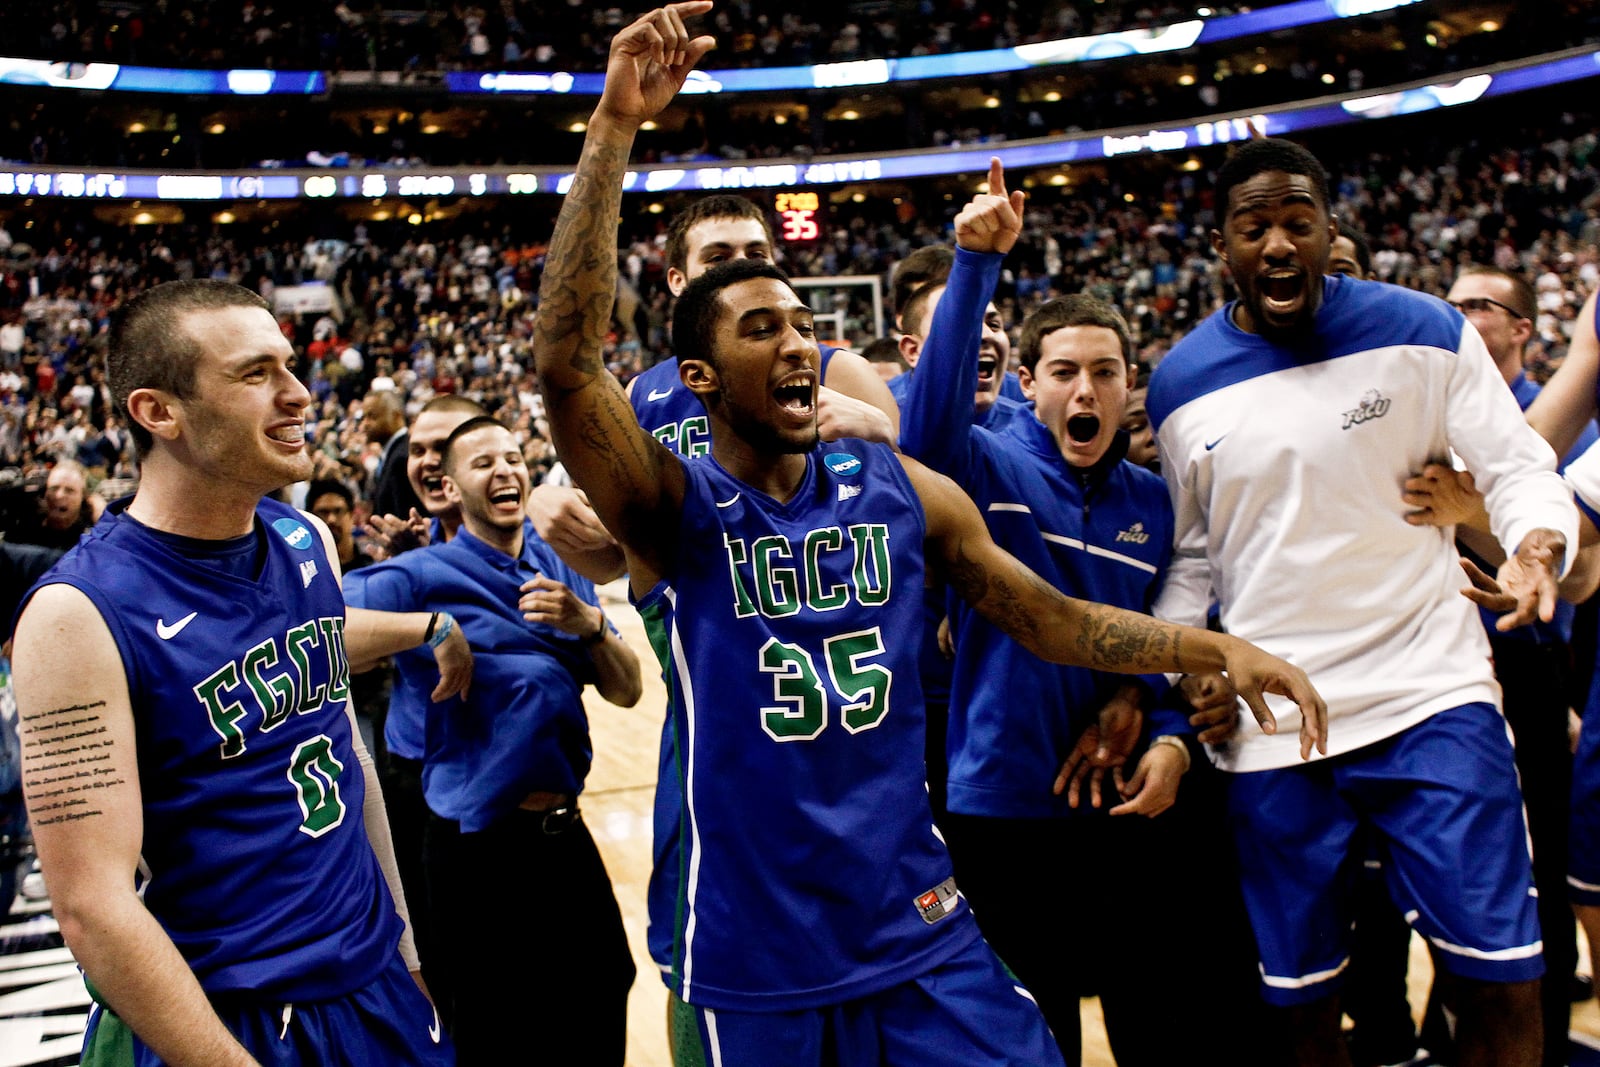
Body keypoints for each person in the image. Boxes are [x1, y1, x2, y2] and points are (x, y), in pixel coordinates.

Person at [533, 11, 1325, 1064]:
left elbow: (1048, 616)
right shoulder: (673, 509)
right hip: (755, 938)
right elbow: (565, 366)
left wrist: (1209, 649)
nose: (795, 341)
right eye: (757, 326)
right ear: (700, 379)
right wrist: (612, 129)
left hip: (915, 914)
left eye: (799, 318)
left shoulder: (896, 484)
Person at [1148, 137, 1576, 1067]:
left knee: (1504, 975)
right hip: (1271, 726)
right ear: (1221, 244)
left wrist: (1539, 545)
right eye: (1253, 225)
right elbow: (1192, 560)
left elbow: (1516, 471)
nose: (1276, 244)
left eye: (1297, 222)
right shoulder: (1179, 382)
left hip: (1432, 697)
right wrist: (1189, 672)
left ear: (1330, 230)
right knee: (1299, 1006)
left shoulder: (1424, 331)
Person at [11, 279, 470, 1065]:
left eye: (290, 366)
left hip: (372, 984)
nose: (299, 394)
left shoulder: (304, 538)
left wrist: (410, 953)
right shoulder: (74, 615)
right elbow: (92, 906)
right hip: (227, 1014)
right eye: (256, 374)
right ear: (160, 412)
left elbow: (350, 763)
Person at [897, 158, 1248, 1064]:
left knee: (1155, 1024)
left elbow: (1181, 633)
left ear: (1133, 384)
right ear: (1028, 383)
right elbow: (925, 435)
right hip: (1003, 808)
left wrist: (1168, 731)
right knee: (1030, 1034)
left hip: (1128, 805)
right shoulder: (988, 467)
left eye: (1104, 371)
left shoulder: (1158, 503)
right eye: (1062, 372)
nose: (1084, 392)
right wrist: (976, 263)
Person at [343, 416, 640, 1065]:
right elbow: (322, 626)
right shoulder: (423, 573)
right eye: (483, 462)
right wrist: (429, 628)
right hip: (477, 852)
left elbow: (628, 690)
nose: (504, 469)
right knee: (495, 1028)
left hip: (565, 836)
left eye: (511, 456)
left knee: (604, 986)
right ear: (449, 486)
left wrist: (588, 622)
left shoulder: (558, 568)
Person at [626, 192, 900, 452]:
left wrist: (886, 440)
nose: (741, 267)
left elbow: (915, 492)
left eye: (756, 254)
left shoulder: (842, 371)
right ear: (678, 280)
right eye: (718, 258)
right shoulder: (640, 391)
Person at [8, 459, 101, 550]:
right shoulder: (25, 529)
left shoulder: (90, 538)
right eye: (54, 488)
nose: (59, 495)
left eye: (69, 490)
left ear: (83, 498)